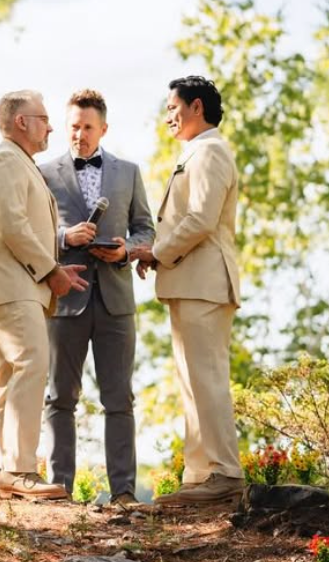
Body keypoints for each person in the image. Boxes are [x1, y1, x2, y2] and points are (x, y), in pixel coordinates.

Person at [0, 90, 88, 500]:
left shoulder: (20, 164)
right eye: (44, 118)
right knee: (32, 363)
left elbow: (25, 228)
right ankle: (19, 469)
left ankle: (3, 476)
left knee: (8, 376)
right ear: (21, 121)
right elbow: (13, 227)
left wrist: (54, 265)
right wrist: (51, 270)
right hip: (10, 283)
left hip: (17, 283)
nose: (51, 126)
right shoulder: (5, 160)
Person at [130, 76, 245, 505]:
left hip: (204, 281)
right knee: (193, 379)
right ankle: (199, 475)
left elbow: (200, 219)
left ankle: (223, 473)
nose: (167, 118)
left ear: (196, 107)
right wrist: (155, 253)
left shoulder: (210, 151)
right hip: (191, 281)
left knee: (207, 377)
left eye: (172, 108)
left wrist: (157, 252)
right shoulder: (197, 151)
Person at [39, 89, 155, 505]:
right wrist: (63, 237)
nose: (79, 134)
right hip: (65, 299)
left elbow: (146, 228)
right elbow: (31, 234)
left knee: (119, 398)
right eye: (73, 126)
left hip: (116, 300)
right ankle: (59, 490)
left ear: (103, 128)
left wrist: (126, 249)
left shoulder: (129, 172)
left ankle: (123, 492)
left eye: (88, 127)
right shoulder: (43, 173)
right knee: (59, 397)